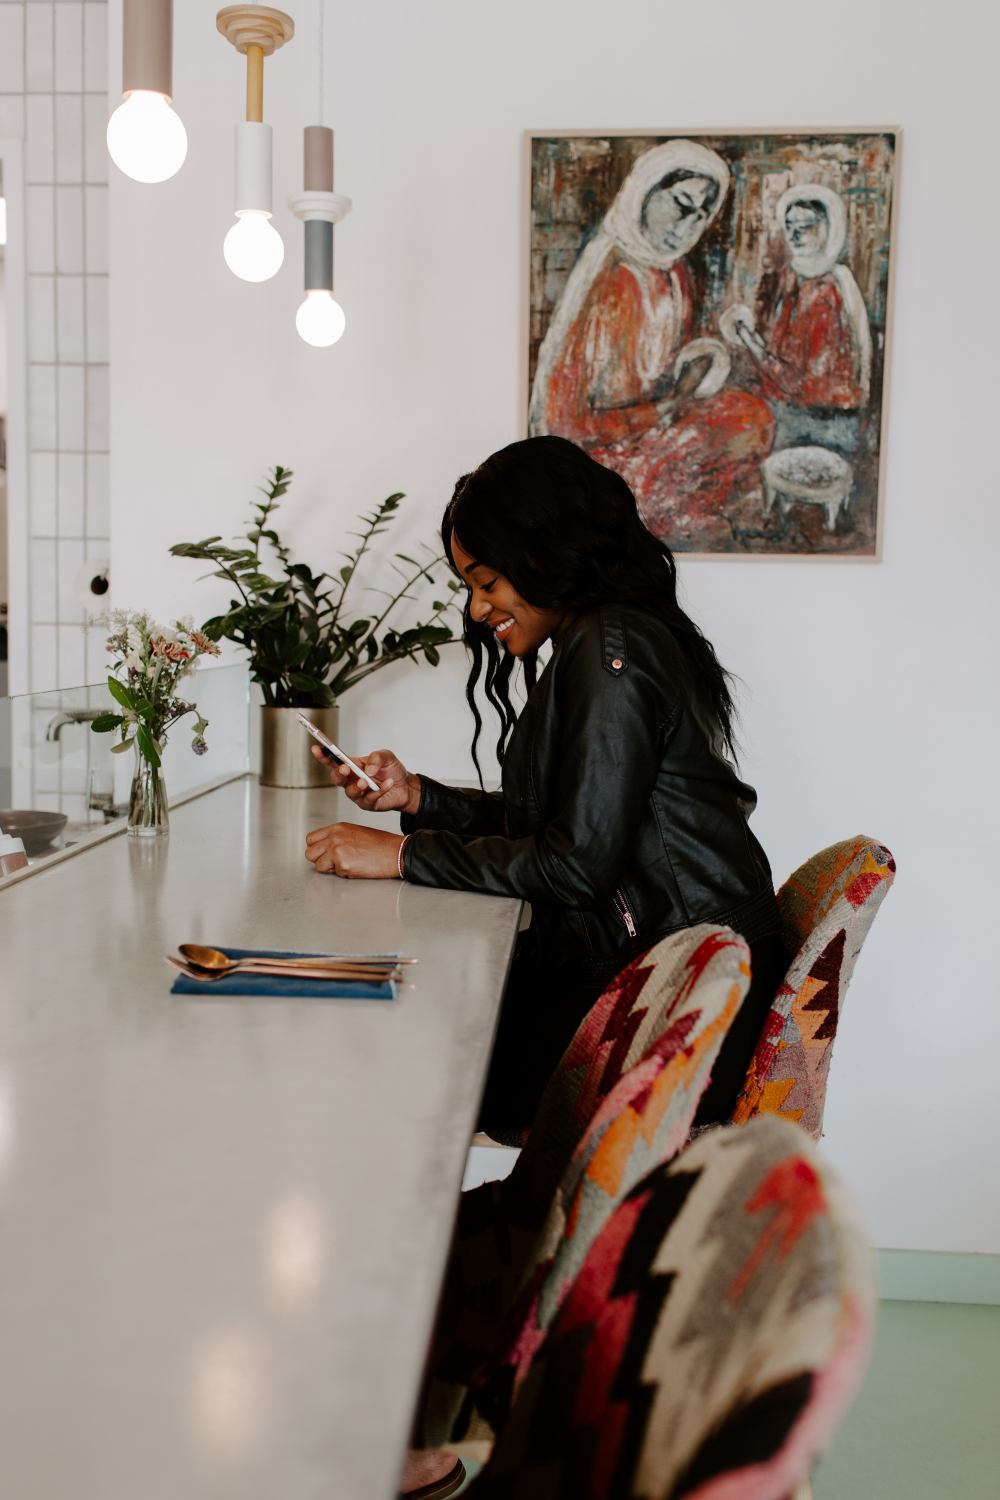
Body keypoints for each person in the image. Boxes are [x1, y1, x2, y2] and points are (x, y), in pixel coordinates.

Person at [305, 435, 785, 1136]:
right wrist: (418, 798)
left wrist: (402, 855)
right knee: (407, 1015)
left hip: (670, 1004)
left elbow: (576, 864)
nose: (476, 610)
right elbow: (566, 823)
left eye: (486, 582)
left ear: (545, 555)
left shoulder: (612, 652)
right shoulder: (607, 638)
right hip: (666, 972)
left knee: (399, 1044)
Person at [528, 140, 774, 532]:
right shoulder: (610, 279)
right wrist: (659, 413)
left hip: (655, 423)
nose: (687, 227)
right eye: (681, 204)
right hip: (597, 452)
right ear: (646, 190)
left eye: (701, 216)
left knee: (751, 416)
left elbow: (660, 369)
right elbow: (565, 423)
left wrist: (697, 364)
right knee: (656, 478)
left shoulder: (674, 273)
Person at [720, 182, 872, 454]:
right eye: (789, 226)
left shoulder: (826, 294)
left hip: (821, 421)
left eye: (806, 227)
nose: (795, 235)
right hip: (792, 406)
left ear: (828, 230)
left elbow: (804, 386)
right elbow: (783, 357)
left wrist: (752, 344)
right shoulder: (794, 279)